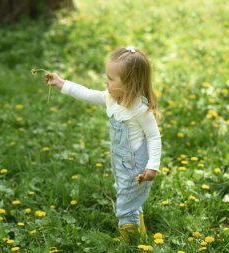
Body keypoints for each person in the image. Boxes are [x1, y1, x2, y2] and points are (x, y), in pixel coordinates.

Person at [44, 46, 162, 242]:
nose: (105, 82)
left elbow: (154, 137)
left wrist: (152, 166)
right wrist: (61, 83)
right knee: (127, 196)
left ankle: (130, 241)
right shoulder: (112, 98)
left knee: (125, 203)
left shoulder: (139, 110)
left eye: (111, 79)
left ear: (129, 83)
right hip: (121, 164)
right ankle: (138, 230)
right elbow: (88, 94)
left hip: (136, 167)